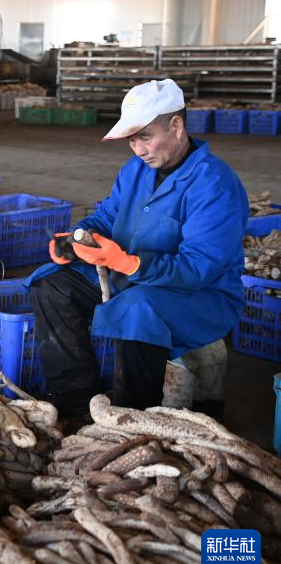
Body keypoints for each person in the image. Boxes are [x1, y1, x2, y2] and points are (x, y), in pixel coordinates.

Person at [28, 78, 248, 419]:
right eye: (131, 140)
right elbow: (106, 217)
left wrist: (131, 264)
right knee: (53, 285)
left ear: (176, 126)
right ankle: (76, 398)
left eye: (145, 137)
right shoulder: (135, 171)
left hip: (200, 296)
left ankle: (134, 417)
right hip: (133, 275)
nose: (138, 149)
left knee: (136, 308)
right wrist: (76, 240)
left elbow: (198, 268)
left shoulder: (214, 185)